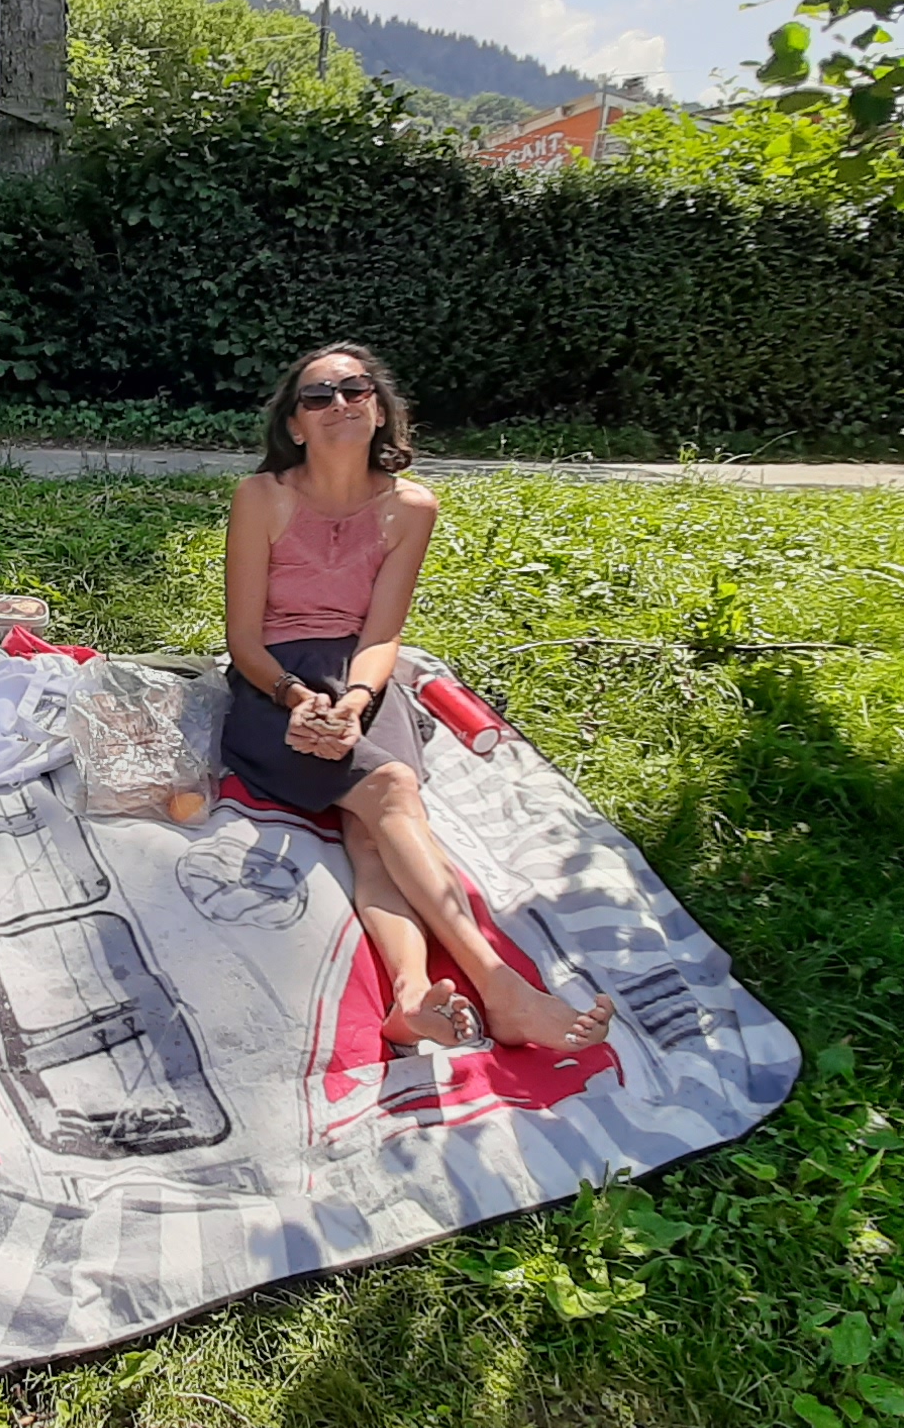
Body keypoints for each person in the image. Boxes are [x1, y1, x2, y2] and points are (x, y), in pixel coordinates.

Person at [221, 344, 618, 1055]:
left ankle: (410, 998)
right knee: (393, 790)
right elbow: (243, 639)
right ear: (296, 425)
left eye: (356, 389)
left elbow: (383, 633)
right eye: (318, 395)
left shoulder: (411, 507)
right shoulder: (262, 497)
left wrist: (357, 699)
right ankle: (501, 987)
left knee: (374, 833)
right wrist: (295, 698)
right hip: (272, 682)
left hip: (363, 675)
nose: (340, 403)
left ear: (379, 410)